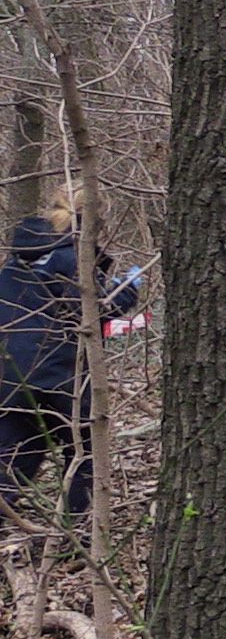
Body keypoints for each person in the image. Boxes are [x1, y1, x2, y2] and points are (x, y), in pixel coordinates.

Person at [1, 194, 143, 526]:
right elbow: (91, 316)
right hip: (62, 377)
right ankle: (73, 535)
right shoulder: (71, 259)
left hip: (12, 376)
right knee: (84, 454)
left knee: (15, 458)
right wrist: (128, 288)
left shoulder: (15, 261)